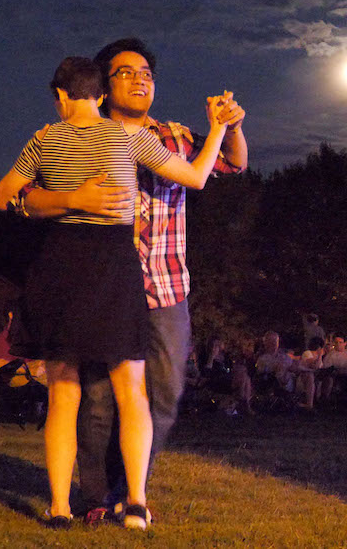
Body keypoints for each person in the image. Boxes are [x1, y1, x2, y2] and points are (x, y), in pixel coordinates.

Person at [18, 40, 247, 525]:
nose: (141, 79)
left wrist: (231, 126)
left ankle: (129, 491)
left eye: (147, 72)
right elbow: (23, 197)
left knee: (162, 394)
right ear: (101, 86)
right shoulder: (71, 136)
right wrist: (72, 199)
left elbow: (231, 163)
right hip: (102, 285)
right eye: (126, 72)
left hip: (164, 286)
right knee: (98, 401)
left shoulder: (173, 136)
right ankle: (94, 495)